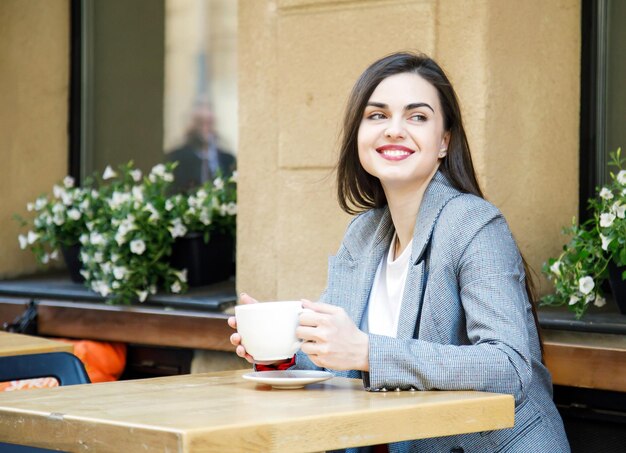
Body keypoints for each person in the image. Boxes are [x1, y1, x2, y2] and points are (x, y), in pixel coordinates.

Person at [228, 52, 570, 452]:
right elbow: (333, 357)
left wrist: (368, 351)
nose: (393, 130)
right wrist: (276, 352)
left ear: (444, 141)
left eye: (417, 117)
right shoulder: (364, 233)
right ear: (358, 134)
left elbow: (508, 365)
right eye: (377, 116)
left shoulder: (475, 225)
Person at [166, 103, 236, 193]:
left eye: (209, 123)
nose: (205, 128)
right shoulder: (176, 159)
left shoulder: (227, 160)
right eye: (200, 123)